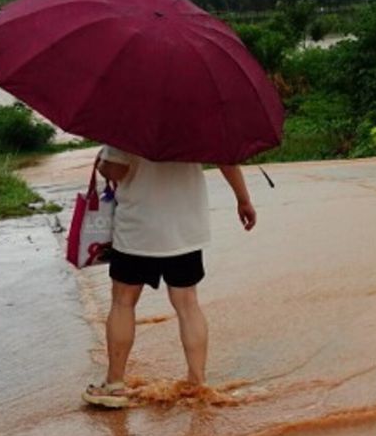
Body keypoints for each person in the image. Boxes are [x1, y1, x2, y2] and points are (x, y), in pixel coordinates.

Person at [82, 146, 256, 408]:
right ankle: (197, 383)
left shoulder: (128, 121)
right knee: (187, 304)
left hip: (138, 230)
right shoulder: (199, 118)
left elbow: (116, 171)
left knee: (123, 302)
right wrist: (243, 199)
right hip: (185, 230)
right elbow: (225, 158)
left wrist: (102, 164)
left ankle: (114, 384)